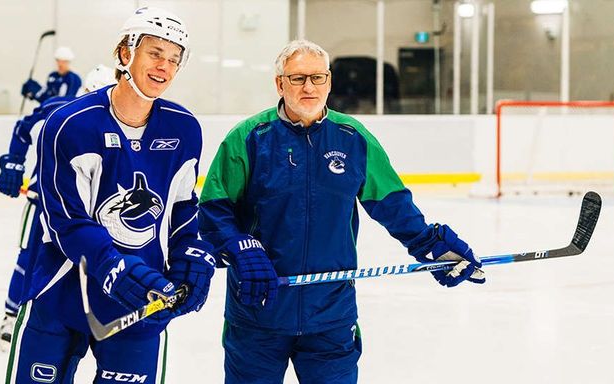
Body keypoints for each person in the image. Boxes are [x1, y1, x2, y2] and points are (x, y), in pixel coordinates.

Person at [199, 39, 485, 384]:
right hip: (259, 310)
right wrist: (238, 248)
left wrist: (430, 244)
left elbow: (391, 203)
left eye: (317, 78)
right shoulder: (247, 138)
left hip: (330, 315)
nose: (309, 87)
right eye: (298, 78)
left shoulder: (352, 138)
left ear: (329, 82)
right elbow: (214, 212)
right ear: (279, 83)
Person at [5, 8, 215, 383]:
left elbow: (183, 209)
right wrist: (111, 264)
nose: (164, 67)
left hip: (141, 296)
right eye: (155, 53)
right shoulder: (70, 123)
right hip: (62, 292)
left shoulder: (184, 128)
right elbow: (67, 222)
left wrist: (190, 255)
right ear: (125, 53)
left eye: (174, 59)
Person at [0, 64, 117, 352]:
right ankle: (13, 317)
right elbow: (24, 129)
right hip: (43, 206)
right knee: (29, 260)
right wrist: (13, 163)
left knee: (85, 266)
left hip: (88, 217)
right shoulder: (60, 110)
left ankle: (80, 323)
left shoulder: (122, 122)